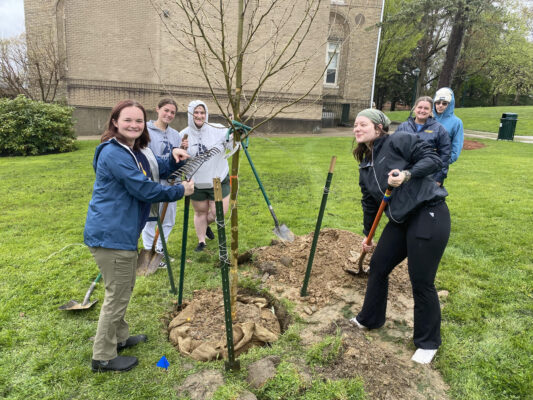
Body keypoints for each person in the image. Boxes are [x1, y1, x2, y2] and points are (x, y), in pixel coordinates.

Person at [84, 100, 194, 372]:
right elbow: (143, 188)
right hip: (111, 235)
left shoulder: (134, 150)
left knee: (123, 288)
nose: (133, 125)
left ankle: (119, 339)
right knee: (117, 294)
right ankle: (103, 356)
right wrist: (179, 191)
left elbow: (155, 168)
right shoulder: (113, 153)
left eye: (138, 120)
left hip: (120, 232)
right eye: (127, 120)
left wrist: (172, 159)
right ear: (115, 122)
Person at [350, 108, 450, 365]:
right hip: (400, 220)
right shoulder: (366, 165)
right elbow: (369, 205)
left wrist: (406, 175)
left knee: (421, 280)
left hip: (428, 212)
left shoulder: (398, 140)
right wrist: (367, 237)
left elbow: (434, 159)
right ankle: (370, 319)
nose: (357, 128)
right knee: (379, 266)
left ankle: (428, 343)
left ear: (378, 127)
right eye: (355, 125)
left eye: (362, 124)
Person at [181, 100, 232, 252]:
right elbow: (179, 159)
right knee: (200, 212)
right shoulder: (183, 135)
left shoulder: (218, 129)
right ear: (190, 114)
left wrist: (235, 133)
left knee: (219, 213)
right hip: (197, 182)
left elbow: (233, 145)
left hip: (217, 180)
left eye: (202, 112)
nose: (199, 115)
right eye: (195, 112)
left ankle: (206, 225)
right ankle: (201, 241)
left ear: (206, 114)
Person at [141, 98, 188, 265]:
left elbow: (176, 160)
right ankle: (148, 251)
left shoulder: (176, 135)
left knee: (167, 219)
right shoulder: (145, 129)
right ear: (158, 109)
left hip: (171, 181)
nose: (169, 114)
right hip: (152, 181)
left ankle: (160, 251)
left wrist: (183, 151)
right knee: (150, 218)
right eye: (166, 110)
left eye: (172, 112)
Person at [396, 96, 451, 186]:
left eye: (426, 108)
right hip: (404, 175)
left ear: (431, 111)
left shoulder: (439, 129)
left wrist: (438, 178)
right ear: (414, 109)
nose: (422, 110)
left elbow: (444, 156)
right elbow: (394, 150)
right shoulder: (403, 127)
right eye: (420, 107)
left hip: (428, 177)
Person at [433, 87, 464, 164]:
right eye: (438, 102)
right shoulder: (428, 118)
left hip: (440, 164)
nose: (440, 105)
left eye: (444, 103)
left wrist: (445, 161)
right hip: (421, 163)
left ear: (450, 104)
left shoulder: (456, 122)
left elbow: (456, 146)